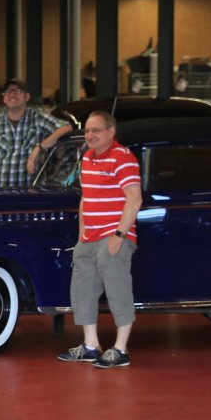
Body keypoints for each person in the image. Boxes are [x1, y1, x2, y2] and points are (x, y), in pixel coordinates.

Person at [58, 111, 142, 369]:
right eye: (87, 130)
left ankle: (121, 349)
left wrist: (119, 235)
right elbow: (86, 198)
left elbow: (134, 198)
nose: (90, 135)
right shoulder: (87, 157)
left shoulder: (123, 157)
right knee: (82, 291)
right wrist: (82, 235)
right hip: (89, 239)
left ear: (111, 132)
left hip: (113, 237)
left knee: (118, 291)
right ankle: (90, 345)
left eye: (96, 130)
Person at [0, 79, 71, 189]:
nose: (12, 94)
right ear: (4, 98)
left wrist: (39, 148)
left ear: (26, 97)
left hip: (30, 194)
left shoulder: (38, 118)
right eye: (8, 91)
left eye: (18, 91)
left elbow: (66, 128)